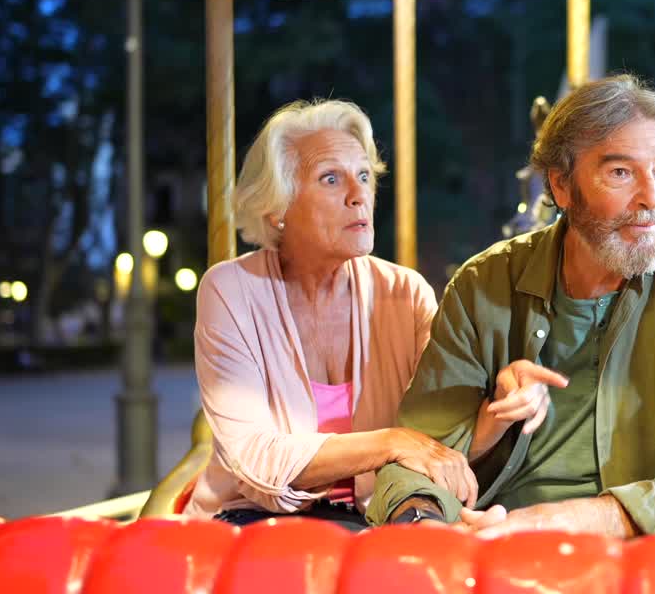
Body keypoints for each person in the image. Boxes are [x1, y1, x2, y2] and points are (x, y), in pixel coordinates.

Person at [366, 75, 655, 543]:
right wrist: (427, 528)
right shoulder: (483, 285)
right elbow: (417, 457)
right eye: (621, 173)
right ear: (561, 185)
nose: (651, 199)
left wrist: (551, 522)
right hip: (495, 534)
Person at [184, 100, 477, 530]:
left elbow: (445, 426)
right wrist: (391, 443)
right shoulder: (229, 290)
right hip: (251, 520)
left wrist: (503, 397)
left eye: (363, 176)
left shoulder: (405, 292)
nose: (359, 195)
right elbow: (256, 460)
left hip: (376, 518)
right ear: (277, 208)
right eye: (330, 178)